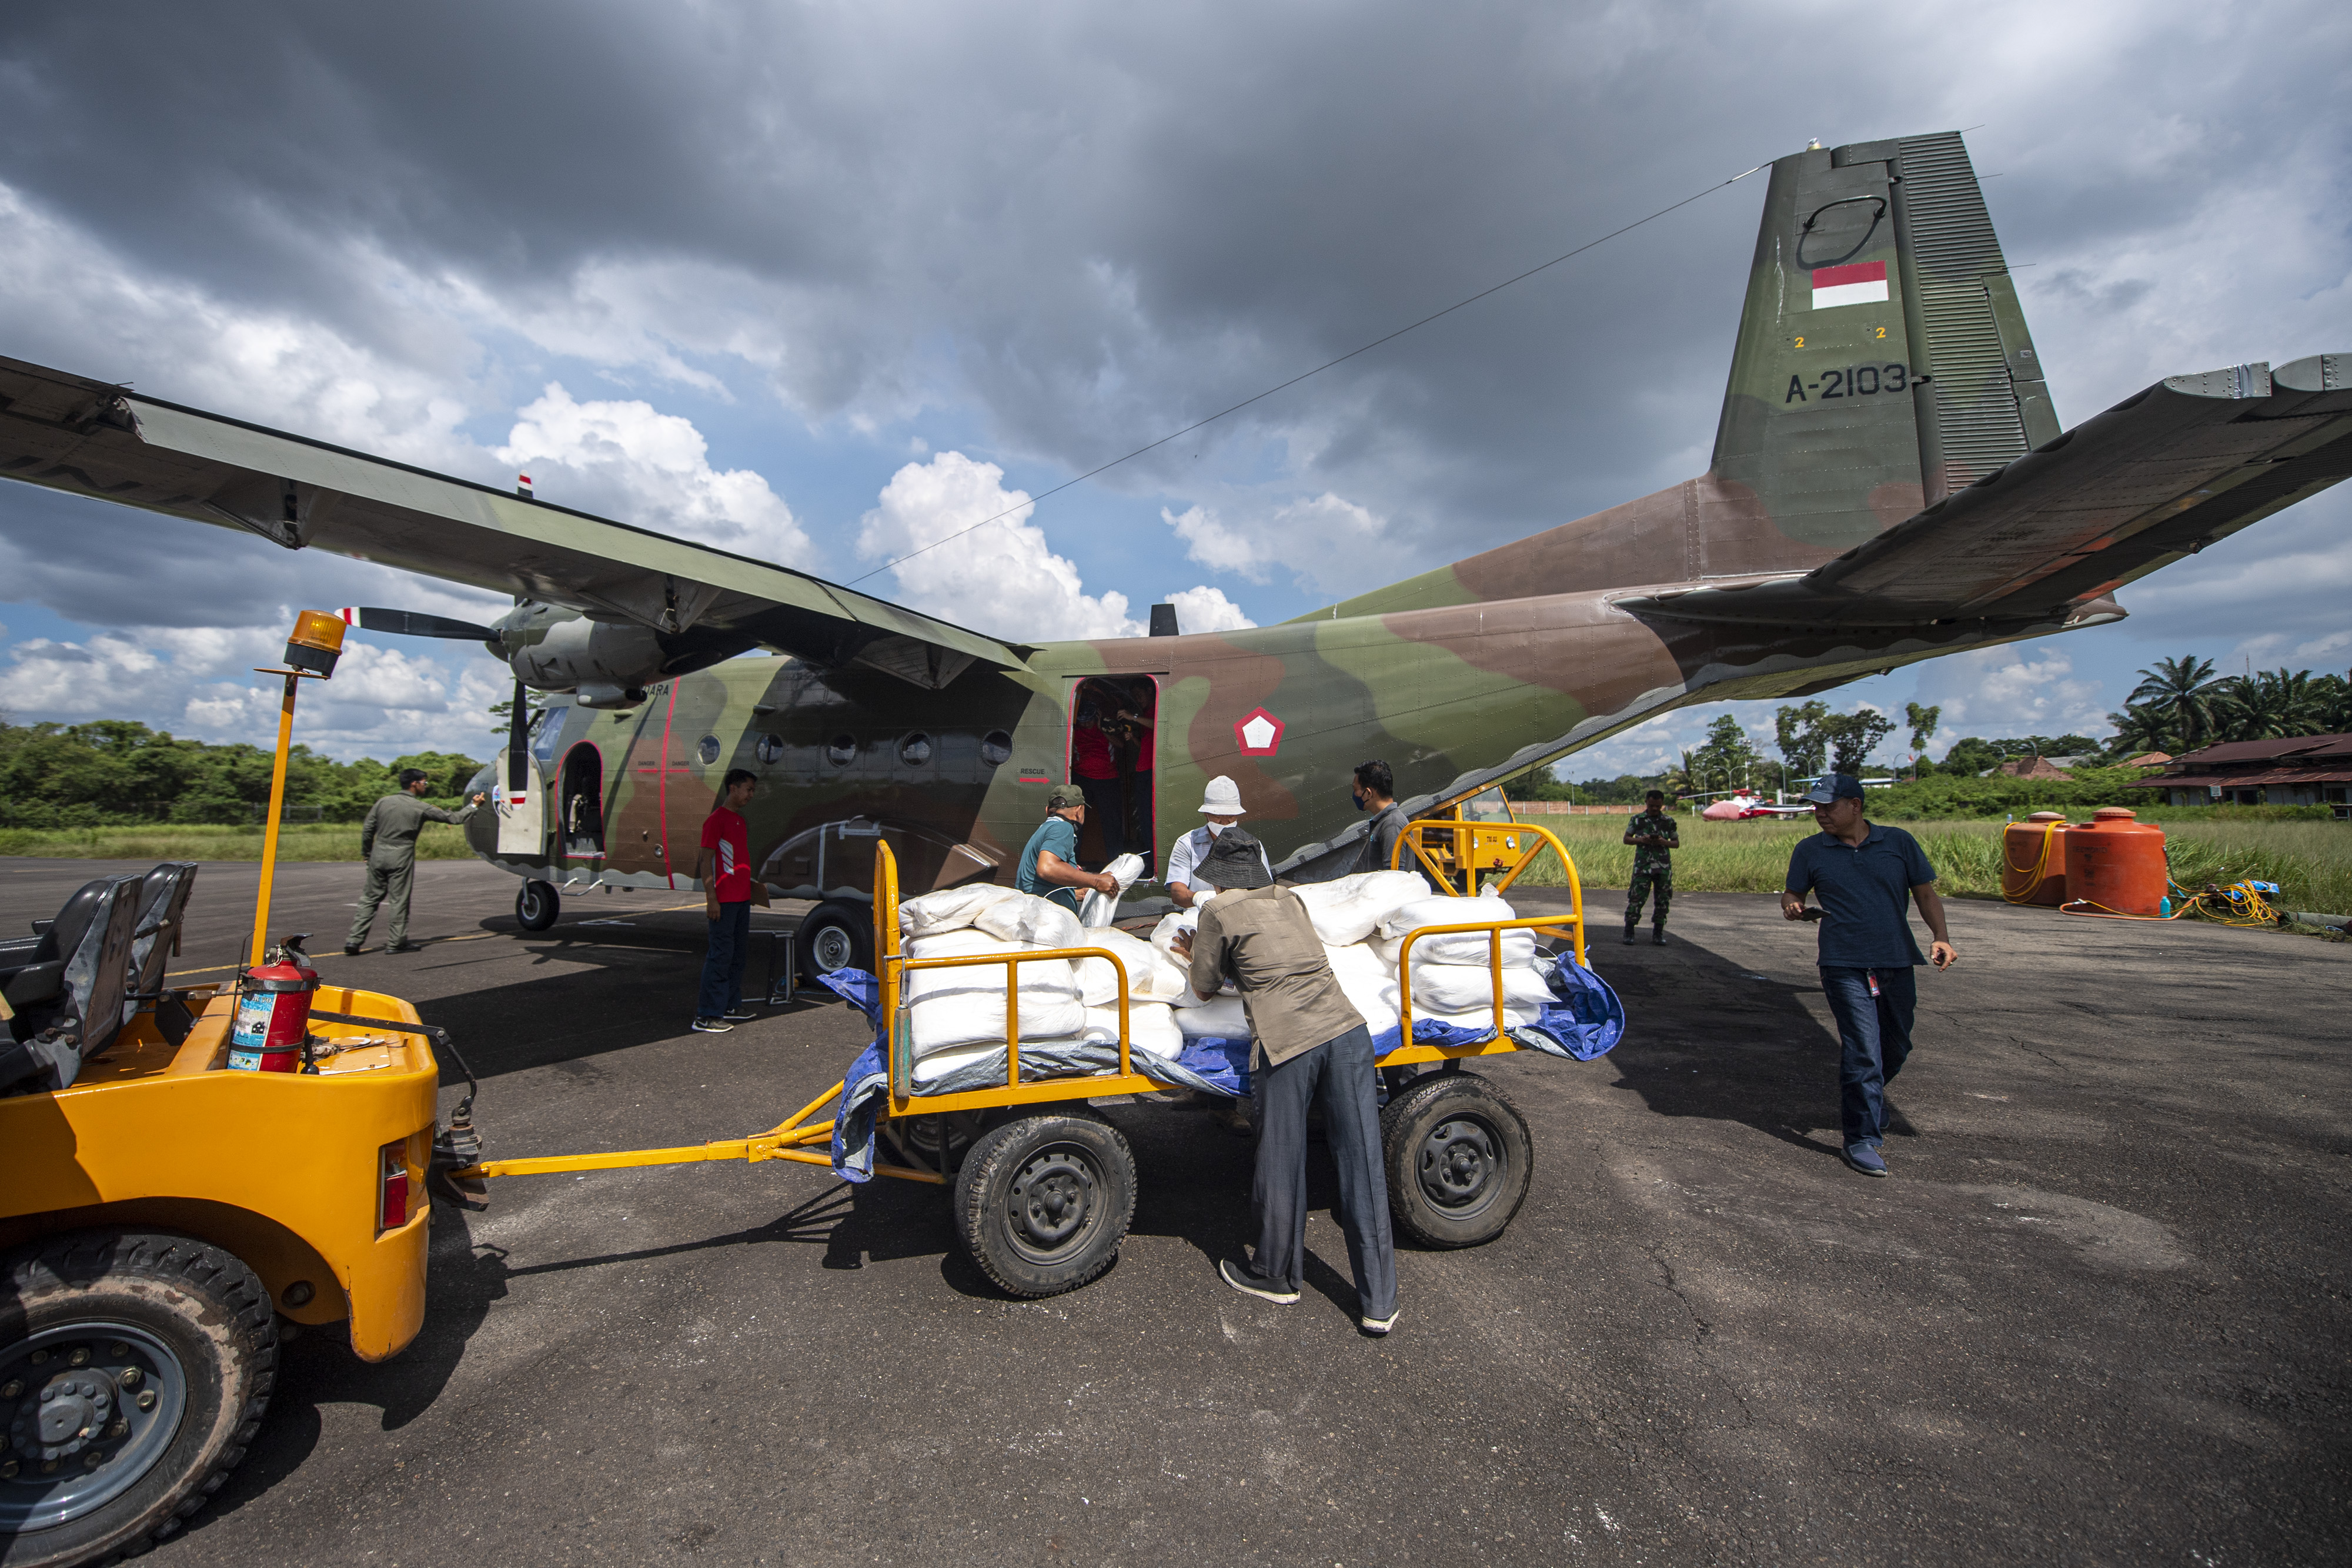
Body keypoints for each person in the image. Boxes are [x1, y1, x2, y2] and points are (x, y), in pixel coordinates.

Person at [1172, 828, 1397, 1335]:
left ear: (1219, 877)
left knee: (1281, 1159)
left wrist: (1192, 954)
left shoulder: (1217, 911)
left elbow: (1204, 989)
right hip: (1348, 1032)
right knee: (1362, 1162)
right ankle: (1380, 1302)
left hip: (1288, 1042)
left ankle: (1276, 1274)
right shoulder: (1289, 898)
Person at [1779, 774, 1957, 1178]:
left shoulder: (1898, 842)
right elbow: (1793, 894)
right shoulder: (1810, 850)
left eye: (1828, 806)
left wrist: (1941, 937)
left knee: (1896, 1045)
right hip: (1843, 962)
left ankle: (1870, 1100)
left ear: (1856, 806)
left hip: (1896, 959)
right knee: (1863, 1051)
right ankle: (1861, 1138)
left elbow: (1925, 894)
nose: (1820, 813)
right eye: (1816, 807)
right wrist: (1792, 907)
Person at [346, 769, 486, 954]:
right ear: (414, 784)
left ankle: (354, 941)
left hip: (378, 854)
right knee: (399, 900)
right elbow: (455, 818)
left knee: (369, 899)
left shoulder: (383, 802)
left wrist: (367, 853)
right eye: (424, 783)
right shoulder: (420, 807)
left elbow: (368, 829)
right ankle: (396, 943)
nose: (425, 786)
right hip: (401, 856)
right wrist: (474, 805)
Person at [692, 768, 764, 1034]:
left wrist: (751, 891)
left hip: (741, 899)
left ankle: (731, 1006)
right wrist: (711, 898)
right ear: (733, 788)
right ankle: (706, 1015)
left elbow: (736, 862)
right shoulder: (716, 820)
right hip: (724, 901)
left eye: (753, 790)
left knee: (737, 956)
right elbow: (705, 860)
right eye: (748, 789)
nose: (751, 795)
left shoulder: (739, 821)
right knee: (720, 956)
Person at [1165, 775, 1271, 909]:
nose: (1225, 822)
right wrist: (1199, 898)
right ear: (1206, 814)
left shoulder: (1252, 845)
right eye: (1218, 816)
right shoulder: (1187, 844)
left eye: (1231, 816)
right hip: (1199, 915)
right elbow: (1177, 892)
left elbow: (1266, 890)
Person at [1015, 785, 1121, 915]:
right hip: (1047, 917)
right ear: (1079, 810)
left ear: (1047, 811)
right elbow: (1047, 868)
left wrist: (1077, 893)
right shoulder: (1063, 827)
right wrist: (1096, 881)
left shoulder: (1044, 829)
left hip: (1037, 911)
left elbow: (1038, 887)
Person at [1070, 681, 1126, 863]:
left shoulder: (1106, 727)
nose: (1086, 724)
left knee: (1111, 823)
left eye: (1089, 720)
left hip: (1107, 779)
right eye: (1083, 721)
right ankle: (1074, 861)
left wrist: (1103, 730)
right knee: (1076, 821)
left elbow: (1121, 744)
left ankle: (1115, 862)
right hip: (1082, 779)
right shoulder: (1075, 730)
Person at [1622, 789, 1681, 945]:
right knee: (1636, 899)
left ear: (1662, 804)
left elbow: (1676, 843)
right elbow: (1627, 839)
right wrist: (1641, 840)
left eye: (1658, 806)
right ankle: (1629, 932)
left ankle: (1658, 933)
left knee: (1663, 900)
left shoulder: (1668, 821)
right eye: (1652, 805)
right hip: (1643, 867)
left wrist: (1664, 842)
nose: (1655, 809)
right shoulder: (1638, 820)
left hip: (1662, 868)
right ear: (1646, 803)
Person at [1119, 677, 1158, 875]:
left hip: (1151, 772)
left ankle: (1152, 864)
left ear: (1150, 691)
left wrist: (1133, 717)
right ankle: (1148, 862)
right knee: (1144, 819)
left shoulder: (1155, 711)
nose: (1138, 699)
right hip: (1142, 770)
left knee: (1151, 819)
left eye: (1140, 695)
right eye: (1135, 696)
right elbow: (1145, 745)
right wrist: (1133, 738)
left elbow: (1158, 725)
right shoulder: (1145, 714)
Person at [1350, 760, 1411, 876]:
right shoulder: (1383, 821)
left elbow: (1395, 877)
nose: (1354, 795)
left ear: (1368, 793)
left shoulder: (1392, 825)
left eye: (1355, 790)